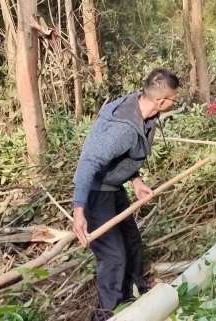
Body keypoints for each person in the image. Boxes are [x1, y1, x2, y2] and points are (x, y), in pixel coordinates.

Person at [72, 69, 180, 319]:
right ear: (161, 101)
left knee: (132, 242)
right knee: (114, 257)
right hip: (96, 194)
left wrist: (135, 180)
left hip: (113, 187)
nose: (174, 103)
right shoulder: (123, 129)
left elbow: (125, 156)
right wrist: (79, 210)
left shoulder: (142, 109)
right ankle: (107, 314)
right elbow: (88, 163)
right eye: (174, 99)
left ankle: (135, 293)